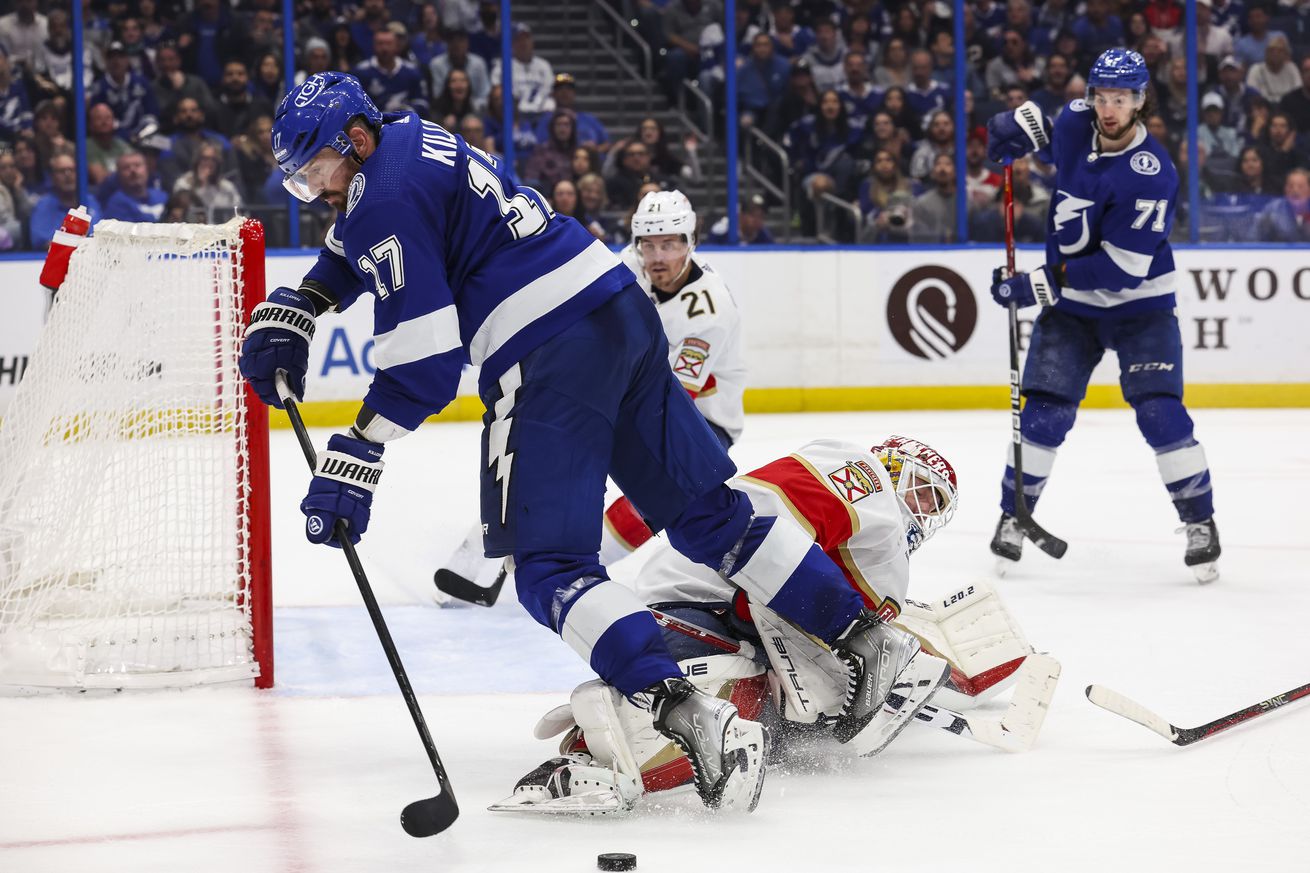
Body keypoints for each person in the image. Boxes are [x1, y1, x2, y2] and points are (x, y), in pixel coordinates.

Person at [242, 73, 914, 813]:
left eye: (317, 172)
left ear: (355, 142)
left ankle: (696, 719)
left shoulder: (379, 196)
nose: (319, 190)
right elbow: (366, 239)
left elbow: (424, 364)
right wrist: (308, 298)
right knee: (709, 515)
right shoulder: (409, 136)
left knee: (549, 568)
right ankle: (865, 637)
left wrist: (357, 452)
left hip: (546, 350)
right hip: (613, 304)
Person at [492, 435, 969, 814]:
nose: (922, 508)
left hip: (724, 623)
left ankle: (613, 745)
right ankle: (602, 754)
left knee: (742, 715)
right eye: (920, 488)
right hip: (697, 603)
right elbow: (778, 514)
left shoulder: (883, 558)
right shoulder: (864, 478)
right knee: (684, 706)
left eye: (934, 504)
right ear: (890, 466)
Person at [984, 48, 1220, 583]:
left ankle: (1201, 521)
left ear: (1141, 101)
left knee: (1162, 415)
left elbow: (1124, 269)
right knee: (1044, 413)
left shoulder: (1151, 173)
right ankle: (1013, 516)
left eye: (1121, 98)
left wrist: (1034, 284)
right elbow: (1048, 135)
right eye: (1101, 96)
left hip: (1142, 310)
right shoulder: (1077, 121)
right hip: (1073, 310)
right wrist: (1016, 128)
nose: (1108, 108)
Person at [437, 189, 746, 592]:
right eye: (648, 245)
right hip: (627, 393)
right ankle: (487, 554)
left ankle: (571, 569)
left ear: (691, 242)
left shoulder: (709, 312)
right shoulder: (625, 265)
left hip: (698, 421)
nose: (657, 258)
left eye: (670, 244)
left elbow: (671, 401)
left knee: (641, 509)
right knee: (536, 454)